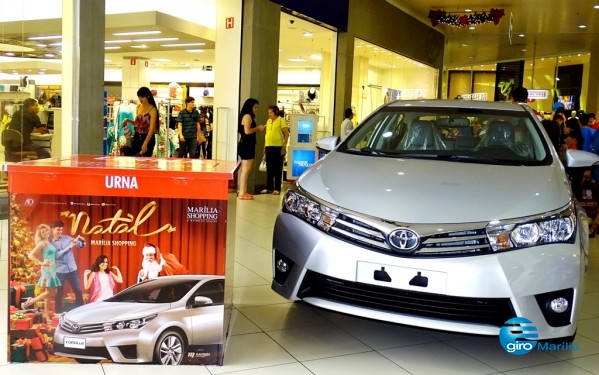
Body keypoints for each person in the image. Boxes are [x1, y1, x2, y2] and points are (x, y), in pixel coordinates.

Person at [21, 224, 60, 324]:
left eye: (46, 230)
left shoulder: (50, 242)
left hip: (53, 269)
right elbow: (30, 255)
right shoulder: (42, 244)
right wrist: (41, 263)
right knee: (48, 292)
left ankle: (46, 316)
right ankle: (29, 302)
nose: (45, 233)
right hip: (47, 269)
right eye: (43, 232)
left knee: (52, 293)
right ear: (40, 235)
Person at [51, 219, 86, 313]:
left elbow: (80, 245)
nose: (60, 232)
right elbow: (55, 256)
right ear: (52, 229)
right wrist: (69, 248)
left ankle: (81, 311)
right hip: (59, 271)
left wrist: (82, 241)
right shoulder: (50, 242)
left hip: (72, 269)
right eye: (58, 229)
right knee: (59, 293)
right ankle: (58, 312)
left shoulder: (67, 238)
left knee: (78, 290)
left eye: (61, 229)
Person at [237, 98, 265, 200]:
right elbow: (247, 131)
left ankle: (243, 191)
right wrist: (258, 128)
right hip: (246, 145)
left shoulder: (247, 116)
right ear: (250, 107)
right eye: (255, 107)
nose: (256, 109)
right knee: (246, 170)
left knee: (248, 169)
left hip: (247, 144)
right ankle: (241, 193)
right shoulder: (247, 116)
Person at [261, 105, 289, 195]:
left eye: (271, 112)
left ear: (276, 112)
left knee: (277, 168)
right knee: (269, 168)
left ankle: (277, 188)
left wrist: (283, 147)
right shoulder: (268, 121)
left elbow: (286, 134)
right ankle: (269, 187)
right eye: (268, 113)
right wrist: (264, 147)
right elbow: (267, 135)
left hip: (278, 147)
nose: (269, 114)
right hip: (269, 146)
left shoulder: (281, 120)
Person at [121, 86, 158, 156]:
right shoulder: (138, 107)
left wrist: (145, 143)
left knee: (146, 162)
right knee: (136, 161)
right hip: (137, 137)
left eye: (142, 97)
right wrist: (127, 120)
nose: (140, 99)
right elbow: (137, 123)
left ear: (147, 96)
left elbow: (151, 129)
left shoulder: (153, 110)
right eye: (139, 97)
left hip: (147, 138)